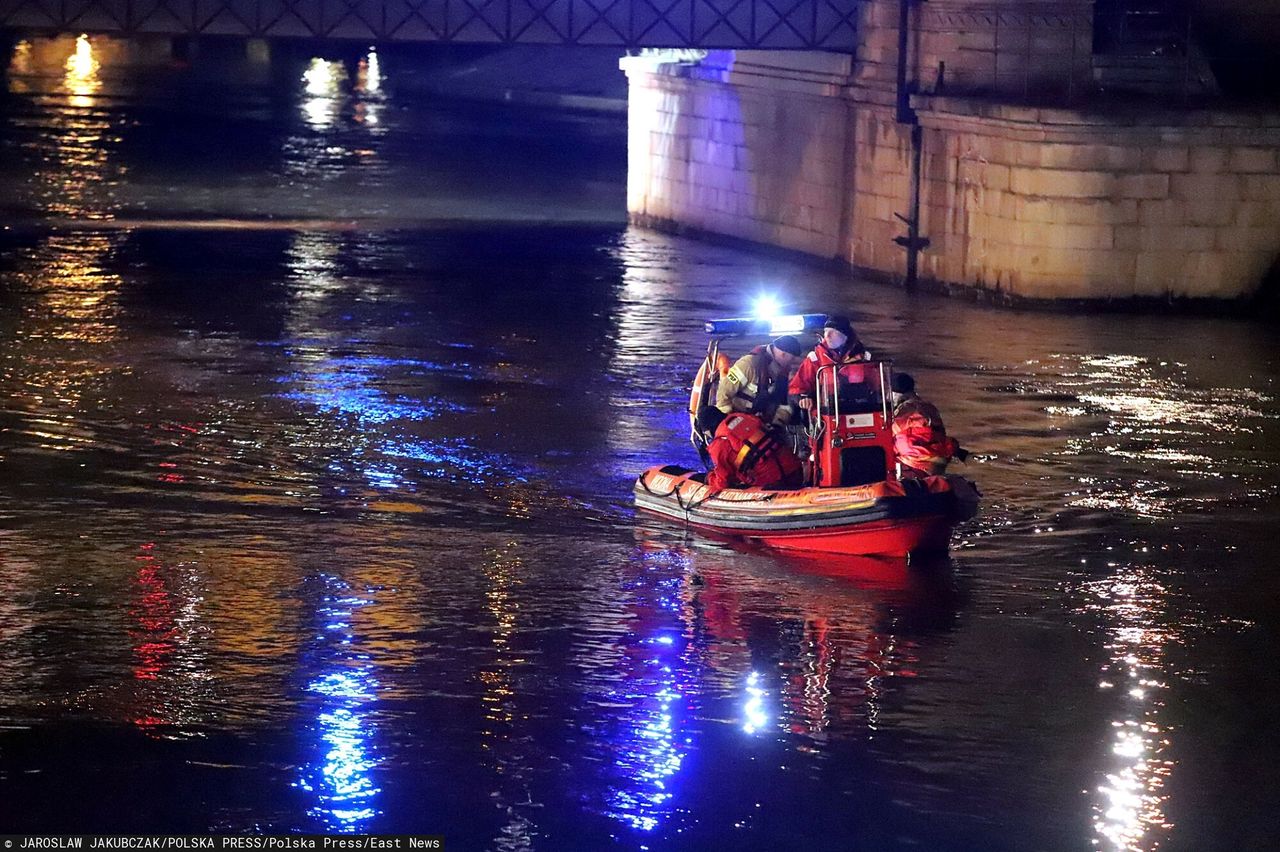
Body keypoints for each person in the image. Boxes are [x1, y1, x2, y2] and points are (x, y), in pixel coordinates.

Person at [696, 406, 804, 492]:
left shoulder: (720, 443)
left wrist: (709, 479)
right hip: (795, 469)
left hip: (772, 484)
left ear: (708, 430)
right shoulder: (744, 417)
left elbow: (723, 482)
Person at [890, 373, 969, 477]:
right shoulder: (928, 407)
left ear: (894, 394)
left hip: (915, 462)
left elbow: (889, 435)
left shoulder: (903, 412)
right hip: (937, 458)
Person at [788, 315, 871, 413]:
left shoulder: (862, 357)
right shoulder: (815, 358)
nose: (827, 336)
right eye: (825, 331)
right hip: (826, 414)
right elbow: (797, 387)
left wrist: (888, 393)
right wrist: (803, 398)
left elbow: (877, 384)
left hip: (861, 410)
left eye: (833, 332)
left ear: (844, 336)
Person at [715, 335, 804, 425]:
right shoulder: (749, 364)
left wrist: (776, 424)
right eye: (792, 359)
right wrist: (727, 420)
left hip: (759, 424)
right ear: (783, 355)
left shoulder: (782, 374)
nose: (792, 363)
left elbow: (782, 403)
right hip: (735, 419)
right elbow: (725, 390)